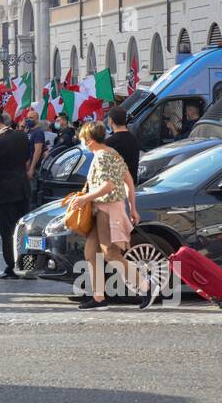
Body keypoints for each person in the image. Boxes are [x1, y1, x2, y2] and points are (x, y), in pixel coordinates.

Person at [65, 121, 157, 311]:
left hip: (106, 209)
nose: (82, 142)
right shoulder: (113, 153)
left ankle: (146, 286)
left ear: (89, 140)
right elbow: (129, 181)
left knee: (110, 253)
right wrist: (132, 208)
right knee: (91, 252)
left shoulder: (101, 157)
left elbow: (108, 186)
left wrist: (84, 199)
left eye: (83, 139)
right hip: (107, 208)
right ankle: (99, 297)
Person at [0, 112, 32, 280]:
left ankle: (11, 266)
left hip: (5, 189)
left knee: (8, 230)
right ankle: (27, 264)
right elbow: (27, 157)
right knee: (24, 228)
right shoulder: (22, 136)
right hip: (22, 186)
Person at [105, 106, 141, 185]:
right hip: (132, 185)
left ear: (111, 121)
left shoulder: (109, 143)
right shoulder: (134, 139)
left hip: (116, 189)